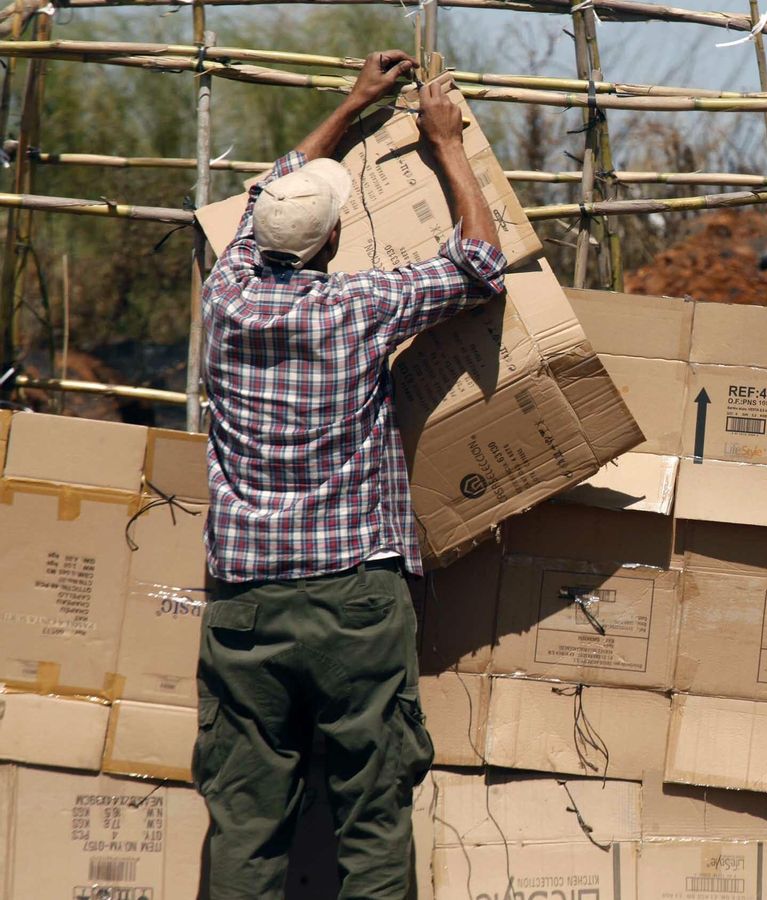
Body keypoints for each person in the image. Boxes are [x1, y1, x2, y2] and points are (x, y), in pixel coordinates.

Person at [194, 50, 505, 899]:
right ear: (333, 239)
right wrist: (447, 145)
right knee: (371, 814)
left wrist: (350, 103)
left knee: (246, 820)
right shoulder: (356, 307)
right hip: (352, 603)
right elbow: (481, 264)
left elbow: (268, 192)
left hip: (246, 602)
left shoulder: (226, 296)